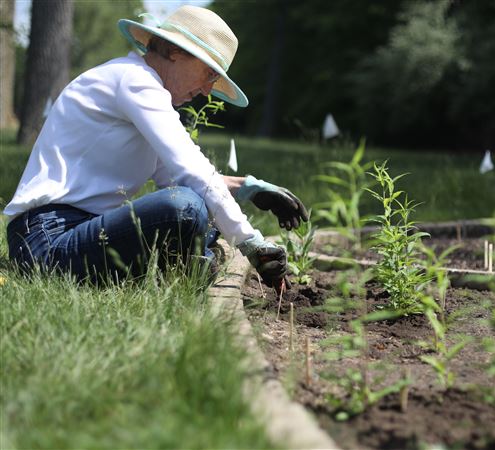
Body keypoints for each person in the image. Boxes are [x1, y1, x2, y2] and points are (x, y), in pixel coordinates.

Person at [4, 5, 307, 287]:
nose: (206, 91)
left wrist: (246, 188)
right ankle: (192, 260)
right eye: (209, 75)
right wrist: (250, 242)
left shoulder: (141, 90)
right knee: (185, 207)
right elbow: (192, 175)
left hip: (78, 231)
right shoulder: (135, 81)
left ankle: (191, 259)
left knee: (198, 209)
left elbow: (176, 175)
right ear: (175, 51)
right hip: (46, 241)